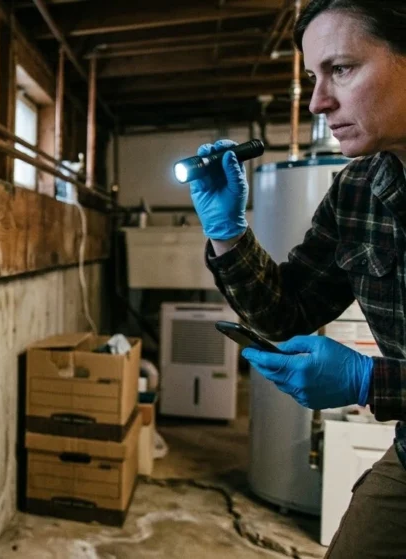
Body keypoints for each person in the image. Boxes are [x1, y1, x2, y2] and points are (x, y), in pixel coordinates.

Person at [188, 1, 406, 556]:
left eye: (342, 69)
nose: (317, 102)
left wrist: (368, 382)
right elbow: (286, 312)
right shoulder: (358, 192)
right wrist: (228, 233)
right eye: (313, 76)